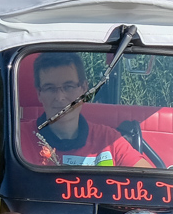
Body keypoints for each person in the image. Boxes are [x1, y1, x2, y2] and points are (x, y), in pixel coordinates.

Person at [20, 52, 150, 168]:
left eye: (69, 86)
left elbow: (151, 184)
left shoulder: (109, 140)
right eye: (50, 88)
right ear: (39, 93)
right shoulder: (16, 139)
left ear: (83, 89)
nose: (59, 97)